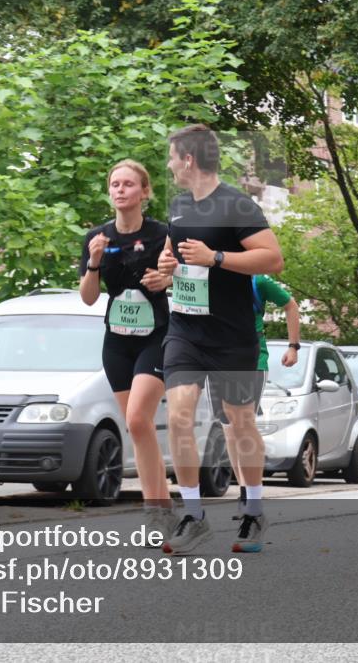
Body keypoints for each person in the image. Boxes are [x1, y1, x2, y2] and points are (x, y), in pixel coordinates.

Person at [157, 124, 284, 554]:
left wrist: (217, 258)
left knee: (239, 422)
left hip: (232, 336)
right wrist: (166, 265)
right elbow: (175, 256)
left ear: (188, 159)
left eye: (173, 157)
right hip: (186, 330)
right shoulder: (177, 205)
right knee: (178, 417)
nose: (170, 165)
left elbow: (273, 258)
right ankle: (193, 514)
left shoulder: (236, 205)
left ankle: (253, 513)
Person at [80, 159, 174, 541]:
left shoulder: (162, 234)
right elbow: (88, 298)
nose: (120, 190)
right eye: (114, 184)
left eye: (128, 184)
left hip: (157, 335)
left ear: (144, 192)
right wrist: (94, 261)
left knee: (137, 419)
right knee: (139, 427)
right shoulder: (97, 237)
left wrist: (165, 278)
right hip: (116, 339)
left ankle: (157, 511)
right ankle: (161, 507)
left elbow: (183, 278)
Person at [219, 275, 301, 510]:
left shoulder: (258, 281)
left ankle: (249, 493)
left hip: (253, 360)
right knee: (229, 428)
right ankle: (244, 488)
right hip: (221, 360)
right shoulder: (210, 276)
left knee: (243, 424)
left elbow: (290, 305)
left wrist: (293, 346)